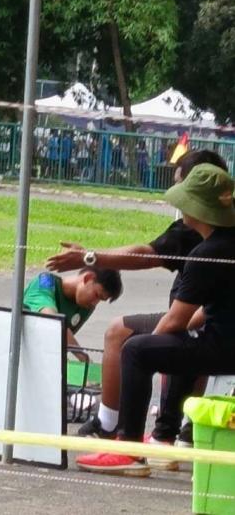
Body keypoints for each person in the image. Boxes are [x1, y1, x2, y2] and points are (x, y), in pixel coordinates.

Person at [47, 149, 228, 441]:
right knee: (175, 337)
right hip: (208, 321)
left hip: (209, 331)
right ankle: (180, 432)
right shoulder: (216, 238)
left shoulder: (202, 247)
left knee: (133, 343)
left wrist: (90, 257)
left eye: (181, 187)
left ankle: (129, 436)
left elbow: (147, 256)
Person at [77, 164, 235, 476]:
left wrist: (151, 343)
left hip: (224, 347)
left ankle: (129, 451)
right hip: (224, 337)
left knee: (137, 350)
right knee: (175, 344)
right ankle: (167, 435)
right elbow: (208, 309)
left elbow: (176, 320)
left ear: (197, 210)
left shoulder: (206, 254)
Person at [22, 268, 122, 356]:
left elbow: (60, 342)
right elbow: (54, 320)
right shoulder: (46, 281)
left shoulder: (85, 305)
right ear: (88, 278)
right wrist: (82, 357)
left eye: (100, 300)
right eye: (96, 295)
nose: (94, 303)